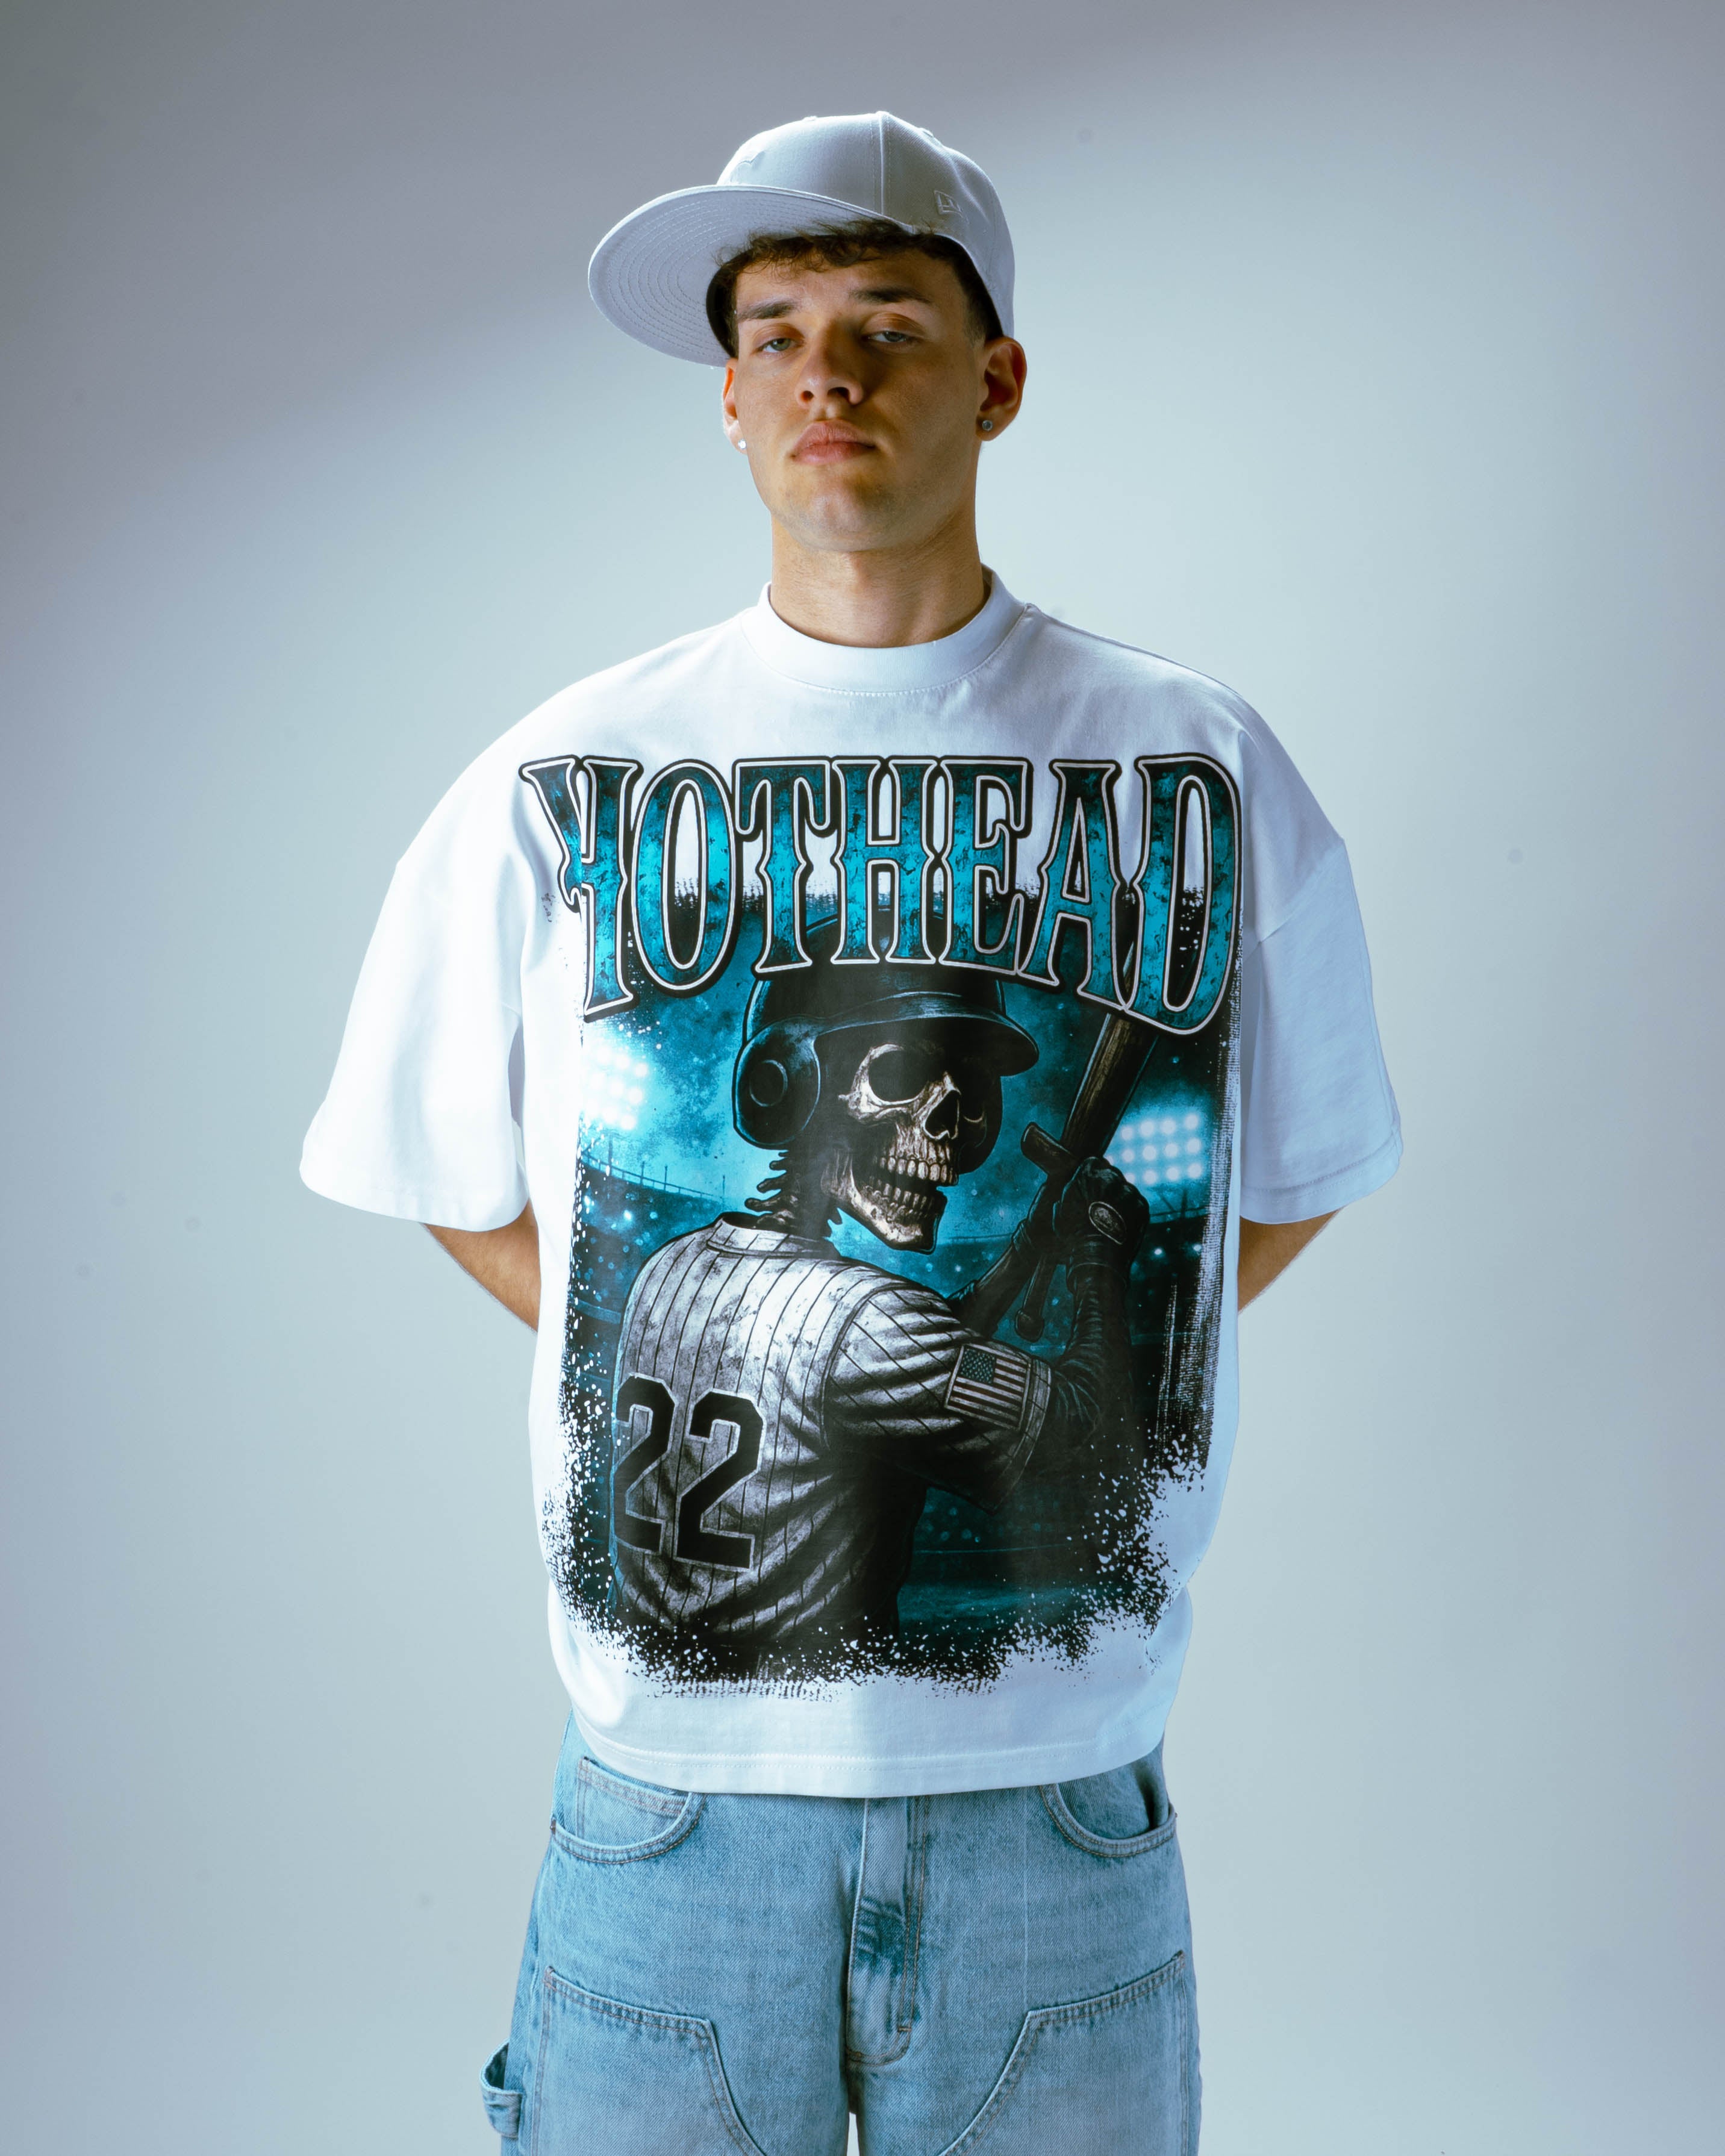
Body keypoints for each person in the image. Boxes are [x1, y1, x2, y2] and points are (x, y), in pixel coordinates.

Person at [302, 110, 1401, 2156]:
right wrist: (1037, 1331)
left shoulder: (1196, 761)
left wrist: (799, 1348)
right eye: (780, 332)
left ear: (997, 379)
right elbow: (446, 1170)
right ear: (728, 398)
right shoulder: (568, 769)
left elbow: (1297, 1175)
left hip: (1050, 1804)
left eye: (889, 324)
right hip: (674, 1815)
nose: (830, 373)